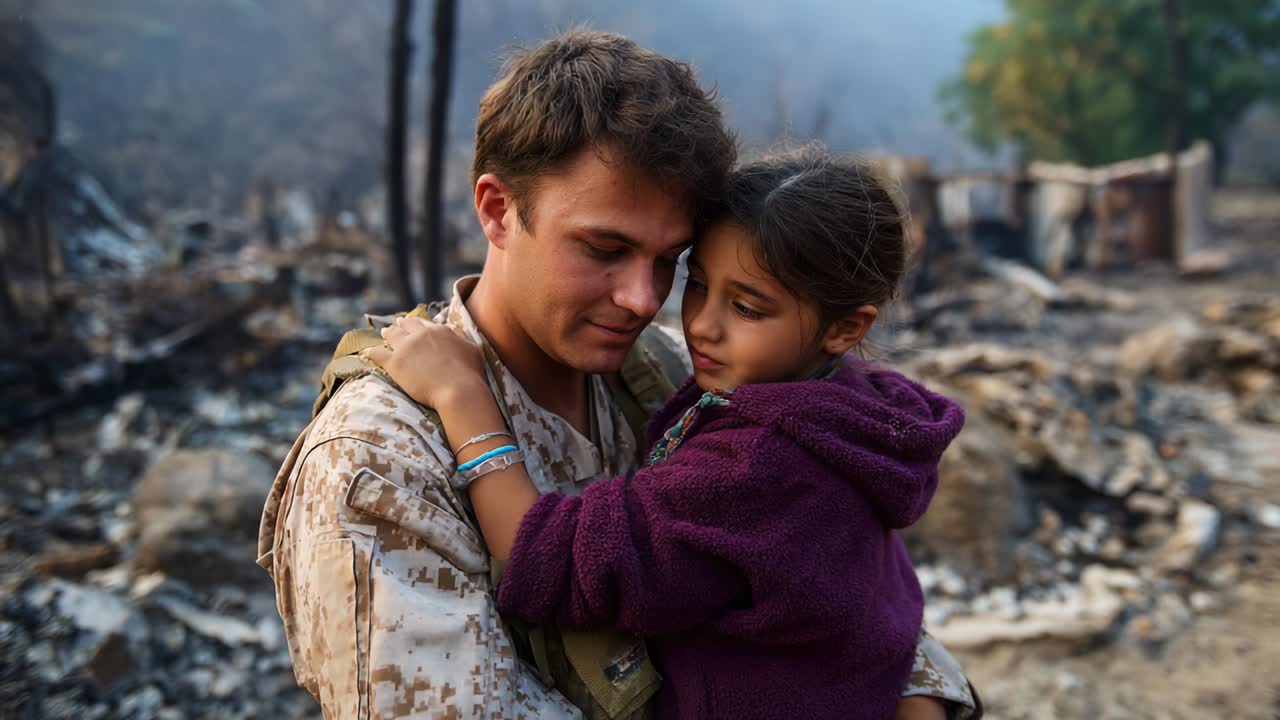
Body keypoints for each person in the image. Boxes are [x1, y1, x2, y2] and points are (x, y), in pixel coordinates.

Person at [257, 31, 980, 720]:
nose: (644, 299)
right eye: (604, 249)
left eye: (668, 261)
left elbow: (846, 583)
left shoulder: (669, 376)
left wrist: (921, 698)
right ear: (498, 210)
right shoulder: (380, 459)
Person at [367, 148, 963, 719]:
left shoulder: (758, 459)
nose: (701, 325)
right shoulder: (852, 416)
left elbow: (555, 562)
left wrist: (463, 400)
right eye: (696, 283)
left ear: (844, 329)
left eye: (747, 308)